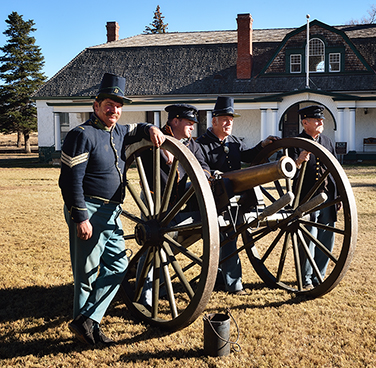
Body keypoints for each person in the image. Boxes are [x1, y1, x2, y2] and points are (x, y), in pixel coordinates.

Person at [59, 73, 166, 346]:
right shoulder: (81, 135)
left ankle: (88, 320)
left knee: (118, 266)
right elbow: (69, 181)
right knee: (86, 273)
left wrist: (151, 128)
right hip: (90, 211)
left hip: (113, 213)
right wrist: (80, 217)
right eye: (109, 103)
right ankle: (86, 329)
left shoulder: (118, 131)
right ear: (96, 105)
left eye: (118, 105)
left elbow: (137, 128)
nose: (114, 109)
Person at [196, 96, 279, 295]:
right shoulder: (201, 144)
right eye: (225, 119)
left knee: (227, 240)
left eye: (231, 120)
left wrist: (263, 145)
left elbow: (248, 156)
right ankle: (233, 285)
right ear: (213, 121)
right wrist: (215, 176)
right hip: (215, 201)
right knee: (227, 240)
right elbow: (202, 169)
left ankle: (217, 277)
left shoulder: (233, 142)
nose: (229, 123)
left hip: (238, 200)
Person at [137, 103, 210, 308]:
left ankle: (158, 285)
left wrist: (202, 176)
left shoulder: (191, 144)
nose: (192, 127)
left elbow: (204, 166)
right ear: (175, 121)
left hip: (179, 203)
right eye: (188, 123)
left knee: (168, 245)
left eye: (193, 124)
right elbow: (136, 142)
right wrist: (164, 148)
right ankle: (145, 295)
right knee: (154, 245)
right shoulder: (156, 138)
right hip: (155, 203)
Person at [290, 105, 338, 290]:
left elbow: (336, 172)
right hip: (306, 198)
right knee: (309, 238)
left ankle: (320, 275)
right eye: (317, 120)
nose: (321, 122)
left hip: (328, 198)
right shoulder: (295, 143)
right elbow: (287, 173)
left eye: (322, 120)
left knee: (326, 237)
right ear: (305, 122)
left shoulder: (327, 141)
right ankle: (306, 278)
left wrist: (339, 197)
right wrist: (298, 161)